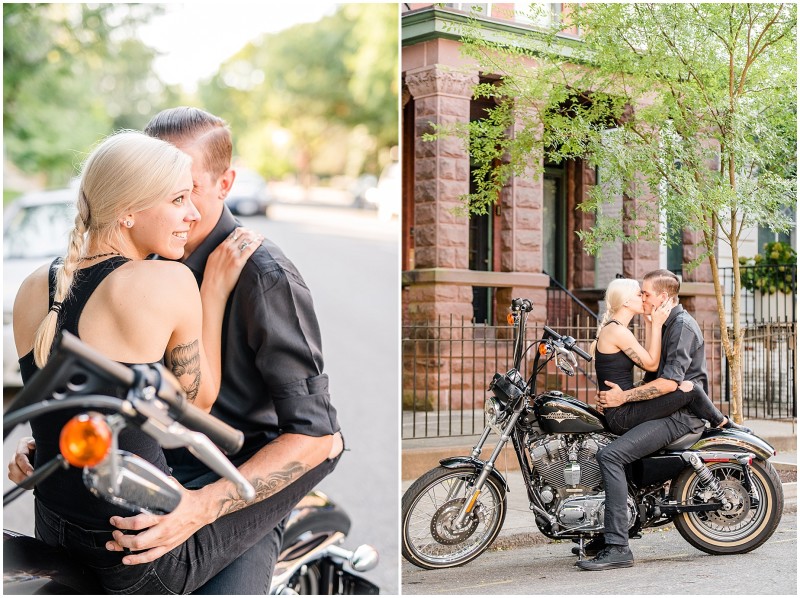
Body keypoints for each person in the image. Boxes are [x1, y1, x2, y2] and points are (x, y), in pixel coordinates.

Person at [10, 108, 344, 593]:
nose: (187, 212)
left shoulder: (265, 275)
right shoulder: (158, 272)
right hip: (135, 502)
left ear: (224, 183)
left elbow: (313, 435)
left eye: (191, 192)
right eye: (174, 195)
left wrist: (201, 506)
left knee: (326, 444)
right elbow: (177, 404)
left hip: (231, 481)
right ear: (131, 202)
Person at [576, 269, 745, 571]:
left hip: (678, 417)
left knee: (613, 455)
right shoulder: (658, 325)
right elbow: (652, 371)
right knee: (617, 452)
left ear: (662, 297)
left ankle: (618, 546)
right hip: (656, 410)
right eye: (639, 293)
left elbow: (666, 382)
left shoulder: (679, 327)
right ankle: (615, 530)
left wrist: (623, 397)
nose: (642, 297)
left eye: (646, 293)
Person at [591, 277, 750, 436]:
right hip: (622, 413)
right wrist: (656, 325)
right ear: (626, 301)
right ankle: (724, 424)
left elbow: (648, 359)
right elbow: (652, 364)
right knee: (691, 389)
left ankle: (723, 423)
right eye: (640, 295)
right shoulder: (618, 331)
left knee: (687, 387)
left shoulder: (616, 329)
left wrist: (649, 323)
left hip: (621, 406)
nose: (645, 299)